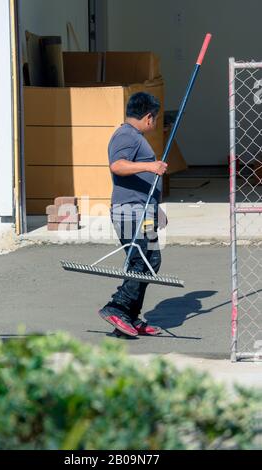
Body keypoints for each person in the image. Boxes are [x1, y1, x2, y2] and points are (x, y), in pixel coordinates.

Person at [99, 92, 168, 337]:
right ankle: (116, 307)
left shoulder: (134, 137)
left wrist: (155, 208)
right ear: (149, 117)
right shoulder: (126, 135)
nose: (156, 122)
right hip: (129, 213)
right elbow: (117, 165)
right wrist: (151, 165)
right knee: (141, 261)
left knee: (153, 260)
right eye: (156, 118)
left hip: (144, 213)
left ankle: (129, 316)